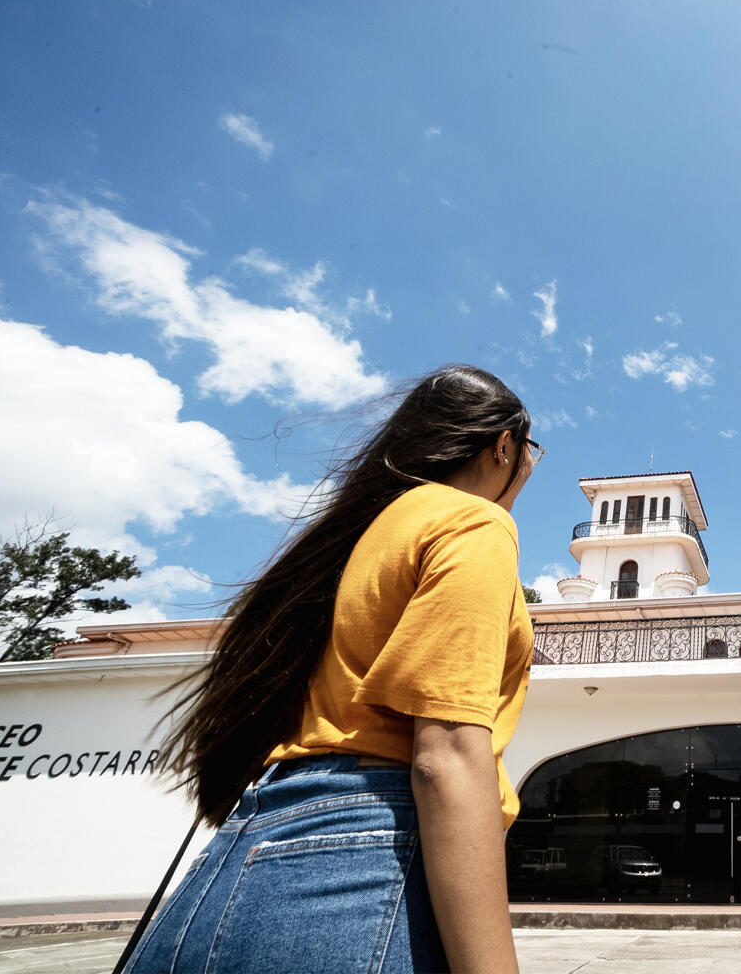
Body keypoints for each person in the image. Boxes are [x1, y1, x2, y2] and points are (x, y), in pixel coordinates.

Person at [123, 364, 540, 974]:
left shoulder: (350, 541)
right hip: (364, 861)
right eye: (531, 451)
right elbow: (445, 755)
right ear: (503, 446)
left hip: (225, 873)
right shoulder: (474, 521)